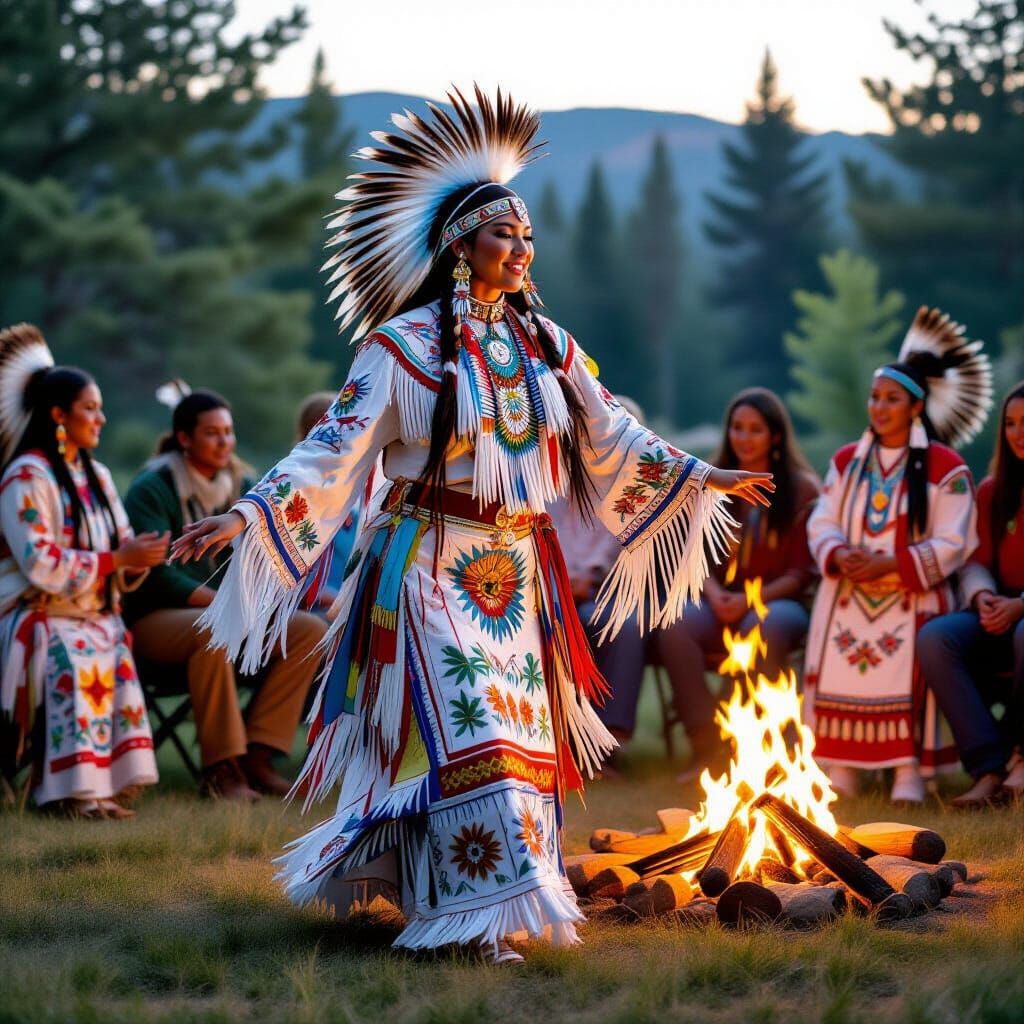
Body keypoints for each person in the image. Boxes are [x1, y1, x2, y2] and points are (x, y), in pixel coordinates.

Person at [170, 88, 772, 962]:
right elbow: (330, 453)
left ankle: (474, 905)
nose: (522, 249)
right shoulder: (401, 349)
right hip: (425, 564)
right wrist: (246, 516)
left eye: (528, 236)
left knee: (520, 745)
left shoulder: (547, 346)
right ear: (460, 246)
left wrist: (699, 473)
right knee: (478, 737)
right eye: (504, 235)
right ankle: (470, 920)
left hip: (517, 570)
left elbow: (612, 430)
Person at [804, 307, 991, 804]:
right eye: (875, 397)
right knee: (843, 668)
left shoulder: (945, 467)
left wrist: (893, 564)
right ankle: (841, 764)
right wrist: (840, 553)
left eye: (892, 399)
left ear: (915, 407)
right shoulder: (847, 460)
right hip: (848, 592)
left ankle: (909, 770)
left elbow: (957, 540)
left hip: (911, 595)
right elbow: (821, 518)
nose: (880, 407)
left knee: (903, 672)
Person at [124, 388, 326, 800]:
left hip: (227, 618)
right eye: (212, 433)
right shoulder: (153, 488)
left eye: (228, 433)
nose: (224, 442)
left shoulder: (244, 484)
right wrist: (222, 606)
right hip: (157, 622)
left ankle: (259, 755)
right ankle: (222, 769)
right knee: (210, 631)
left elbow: (265, 554)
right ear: (184, 438)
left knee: (308, 630)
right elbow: (157, 573)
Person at [0, 324, 165, 817]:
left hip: (89, 613)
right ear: (57, 415)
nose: (101, 418)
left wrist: (137, 558)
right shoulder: (25, 476)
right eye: (90, 409)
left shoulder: (96, 475)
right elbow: (40, 563)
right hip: (35, 615)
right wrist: (119, 560)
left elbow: (119, 547)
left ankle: (98, 790)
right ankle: (68, 795)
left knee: (108, 638)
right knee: (73, 652)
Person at [663, 388, 820, 772]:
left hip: (780, 603)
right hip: (718, 600)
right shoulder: (710, 481)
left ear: (776, 436)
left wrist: (751, 599)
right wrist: (715, 594)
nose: (744, 438)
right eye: (737, 428)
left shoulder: (802, 489)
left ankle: (758, 747)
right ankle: (705, 743)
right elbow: (691, 558)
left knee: (760, 626)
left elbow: (801, 574)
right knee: (675, 624)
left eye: (755, 430)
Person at [917, 381, 1024, 805]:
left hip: (1020, 618)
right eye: (1011, 424)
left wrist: (1020, 607)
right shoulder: (993, 490)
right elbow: (975, 561)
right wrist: (982, 597)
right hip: (998, 607)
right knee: (936, 637)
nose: (1018, 433)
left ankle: (1020, 754)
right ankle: (988, 766)